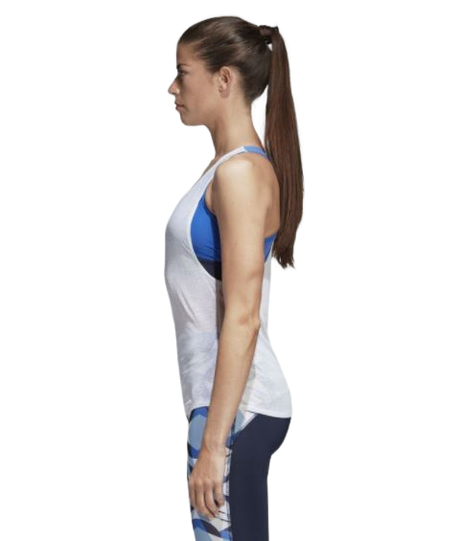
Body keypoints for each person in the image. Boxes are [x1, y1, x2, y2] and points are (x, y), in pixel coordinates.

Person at [164, 14, 304, 541]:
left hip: (237, 414)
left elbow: (243, 318)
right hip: (217, 408)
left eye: (183, 73)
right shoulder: (221, 169)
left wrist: (214, 445)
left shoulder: (241, 174)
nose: (173, 88)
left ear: (224, 79)